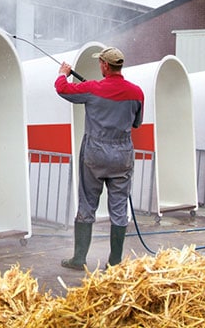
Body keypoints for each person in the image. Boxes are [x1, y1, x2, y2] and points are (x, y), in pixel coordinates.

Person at [55, 47, 144, 270]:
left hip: (95, 154)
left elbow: (62, 89)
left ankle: (79, 258)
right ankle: (114, 262)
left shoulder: (92, 89)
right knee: (119, 208)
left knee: (87, 204)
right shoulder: (137, 93)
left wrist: (62, 73)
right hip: (122, 156)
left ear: (104, 65)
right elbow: (136, 123)